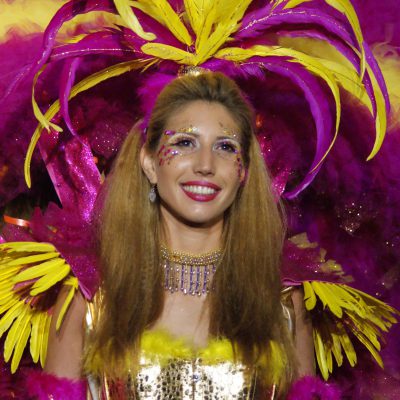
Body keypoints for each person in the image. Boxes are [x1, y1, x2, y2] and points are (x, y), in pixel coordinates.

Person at [44, 72, 314, 399]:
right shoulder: (89, 296)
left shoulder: (282, 301)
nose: (205, 165)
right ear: (149, 163)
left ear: (242, 171)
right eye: (184, 143)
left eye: (225, 147)